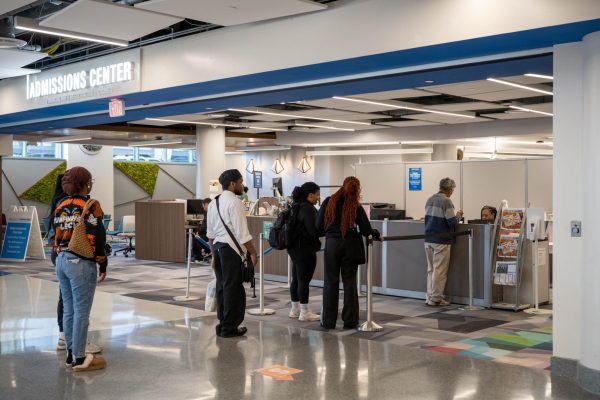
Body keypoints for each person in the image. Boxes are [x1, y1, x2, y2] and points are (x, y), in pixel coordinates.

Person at [54, 167, 107, 371]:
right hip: (80, 263)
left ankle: (70, 355)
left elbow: (55, 232)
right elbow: (97, 236)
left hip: (61, 261)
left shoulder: (60, 204)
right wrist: (102, 263)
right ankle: (80, 357)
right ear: (86, 183)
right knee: (81, 313)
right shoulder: (91, 205)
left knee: (69, 309)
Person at [317, 176, 380, 330]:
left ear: (342, 185)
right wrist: (376, 233)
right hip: (350, 245)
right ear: (357, 189)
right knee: (350, 284)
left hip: (332, 245)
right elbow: (366, 230)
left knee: (330, 282)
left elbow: (318, 226)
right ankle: (350, 321)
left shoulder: (328, 201)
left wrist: (331, 231)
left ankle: (328, 321)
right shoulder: (355, 205)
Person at [207, 169, 258, 337]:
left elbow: (210, 234)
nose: (242, 185)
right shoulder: (235, 202)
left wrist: (213, 255)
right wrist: (253, 252)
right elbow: (242, 233)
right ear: (232, 184)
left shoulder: (214, 202)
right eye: (240, 182)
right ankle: (230, 327)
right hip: (232, 250)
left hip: (219, 249)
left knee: (223, 287)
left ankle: (223, 324)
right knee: (233, 289)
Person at [424, 177, 463, 307]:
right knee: (439, 271)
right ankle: (436, 299)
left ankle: (429, 296)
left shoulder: (430, 199)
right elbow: (452, 221)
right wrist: (459, 215)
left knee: (431, 270)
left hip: (428, 239)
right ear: (450, 189)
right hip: (442, 240)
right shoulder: (446, 201)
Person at [287, 182, 322, 322]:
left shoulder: (295, 206)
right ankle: (304, 311)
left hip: (294, 248)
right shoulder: (308, 209)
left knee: (296, 279)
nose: (318, 198)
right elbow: (313, 231)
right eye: (317, 194)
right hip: (305, 249)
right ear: (310, 195)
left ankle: (295, 309)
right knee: (304, 280)